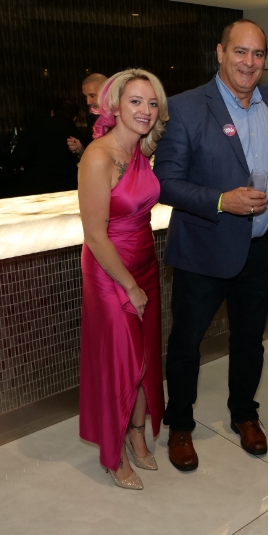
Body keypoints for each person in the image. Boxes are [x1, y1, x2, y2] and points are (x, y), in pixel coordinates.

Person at [153, 19, 268, 471]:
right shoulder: (185, 107)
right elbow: (165, 182)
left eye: (258, 54)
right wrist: (220, 200)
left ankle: (244, 414)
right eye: (240, 51)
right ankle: (180, 424)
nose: (249, 62)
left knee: (250, 341)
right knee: (186, 343)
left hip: (259, 252)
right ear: (220, 52)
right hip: (202, 250)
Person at [77, 68, 168, 490]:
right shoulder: (98, 156)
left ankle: (136, 433)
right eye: (136, 101)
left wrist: (142, 278)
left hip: (145, 263)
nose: (145, 110)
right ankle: (113, 453)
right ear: (115, 106)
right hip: (110, 272)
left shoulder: (141, 152)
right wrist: (130, 286)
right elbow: (95, 235)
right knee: (120, 361)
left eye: (151, 103)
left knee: (145, 357)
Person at [11, 98, 81, 195]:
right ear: (75, 118)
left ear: (52, 112)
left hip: (37, 187)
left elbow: (18, 157)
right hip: (69, 188)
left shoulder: (36, 126)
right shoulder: (76, 132)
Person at [67, 73, 108, 155]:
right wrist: (81, 148)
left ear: (107, 92)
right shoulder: (91, 118)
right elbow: (95, 153)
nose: (88, 102)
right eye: (85, 97)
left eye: (92, 96)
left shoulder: (122, 117)